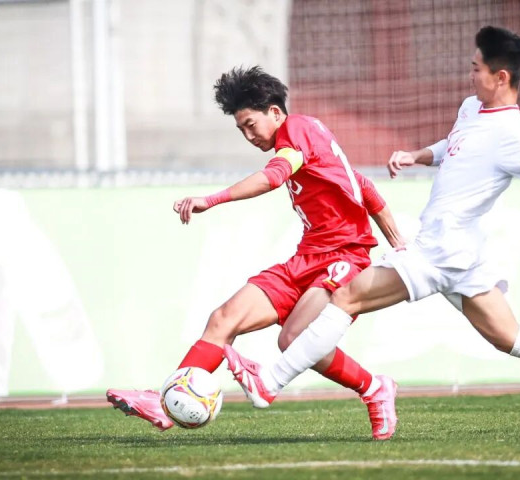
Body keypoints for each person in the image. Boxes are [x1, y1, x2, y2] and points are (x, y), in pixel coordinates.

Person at [223, 26, 520, 435]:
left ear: (501, 77)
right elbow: (454, 147)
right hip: (463, 251)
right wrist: (418, 155)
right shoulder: (471, 109)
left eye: (477, 68)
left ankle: (270, 382)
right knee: (510, 338)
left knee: (345, 296)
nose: (470, 74)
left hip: (443, 248)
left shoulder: (514, 135)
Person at [107, 66, 405, 440]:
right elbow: (363, 186)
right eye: (241, 130)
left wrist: (210, 200)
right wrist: (398, 241)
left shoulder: (296, 129)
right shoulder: (310, 137)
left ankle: (375, 388)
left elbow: (273, 177)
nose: (249, 136)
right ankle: (164, 405)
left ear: (275, 112)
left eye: (251, 124)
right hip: (306, 256)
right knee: (223, 319)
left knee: (294, 340)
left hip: (344, 256)